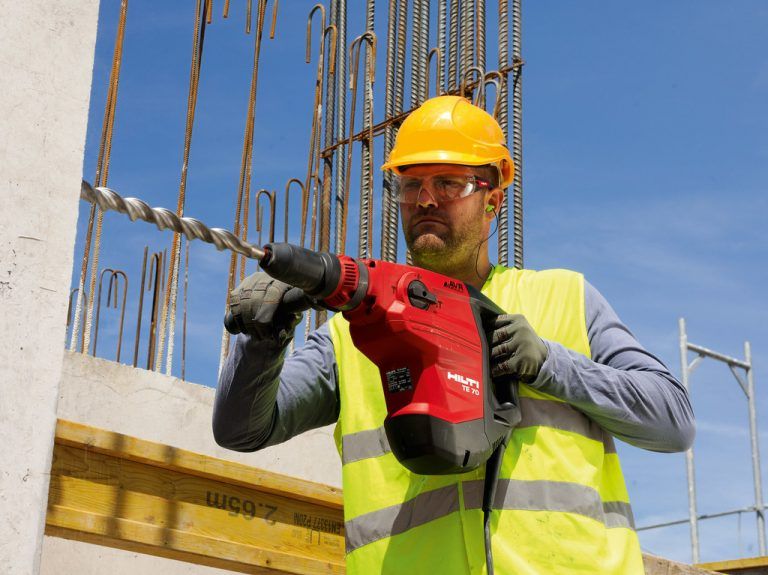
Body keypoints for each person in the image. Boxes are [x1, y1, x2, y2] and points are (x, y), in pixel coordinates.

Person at [213, 95, 695, 574]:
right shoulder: (352, 333)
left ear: (493, 199)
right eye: (410, 184)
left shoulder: (564, 298)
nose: (425, 199)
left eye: (448, 182)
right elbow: (242, 431)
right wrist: (263, 342)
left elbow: (673, 421)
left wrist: (551, 365)